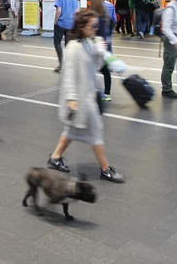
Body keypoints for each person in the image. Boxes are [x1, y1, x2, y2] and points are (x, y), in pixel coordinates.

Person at [47, 9, 125, 183]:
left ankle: (55, 157)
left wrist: (101, 52)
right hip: (81, 99)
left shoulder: (91, 43)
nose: (95, 29)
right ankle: (105, 169)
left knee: (72, 130)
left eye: (97, 26)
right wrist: (72, 99)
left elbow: (96, 65)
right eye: (93, 26)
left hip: (88, 94)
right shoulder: (73, 48)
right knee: (95, 132)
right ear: (81, 27)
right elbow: (68, 76)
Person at [53, 0, 78, 73]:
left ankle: (61, 63)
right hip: (71, 25)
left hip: (61, 23)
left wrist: (55, 21)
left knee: (57, 43)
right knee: (69, 45)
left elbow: (58, 11)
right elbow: (76, 12)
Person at [90, 0, 112, 102]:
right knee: (105, 71)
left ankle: (98, 93)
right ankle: (107, 93)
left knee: (93, 70)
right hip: (106, 47)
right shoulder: (105, 17)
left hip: (98, 48)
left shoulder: (97, 19)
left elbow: (98, 35)